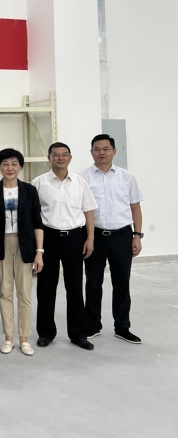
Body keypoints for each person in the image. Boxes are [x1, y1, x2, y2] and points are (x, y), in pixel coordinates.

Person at [32, 142, 97, 351]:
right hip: (48, 238)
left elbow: (88, 211)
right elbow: (34, 216)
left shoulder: (79, 182)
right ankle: (46, 333)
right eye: (56, 155)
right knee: (46, 288)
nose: (60, 158)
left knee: (75, 287)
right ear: (49, 158)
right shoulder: (39, 183)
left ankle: (78, 334)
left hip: (74, 238)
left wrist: (90, 238)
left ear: (70, 157)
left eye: (64, 154)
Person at [80, 134, 145, 345]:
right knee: (93, 283)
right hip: (94, 236)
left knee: (122, 283)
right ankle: (92, 326)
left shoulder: (127, 177)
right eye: (97, 149)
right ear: (91, 152)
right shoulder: (82, 178)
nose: (102, 152)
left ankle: (123, 327)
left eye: (106, 149)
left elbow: (135, 207)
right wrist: (87, 238)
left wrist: (137, 236)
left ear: (114, 151)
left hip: (122, 236)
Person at [0, 148, 44, 356]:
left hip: (25, 245)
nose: (10, 168)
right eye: (5, 164)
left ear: (20, 166)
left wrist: (39, 251)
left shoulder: (29, 190)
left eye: (14, 164)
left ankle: (24, 338)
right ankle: (9, 338)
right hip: (1, 244)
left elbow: (38, 222)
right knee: (5, 292)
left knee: (25, 293)